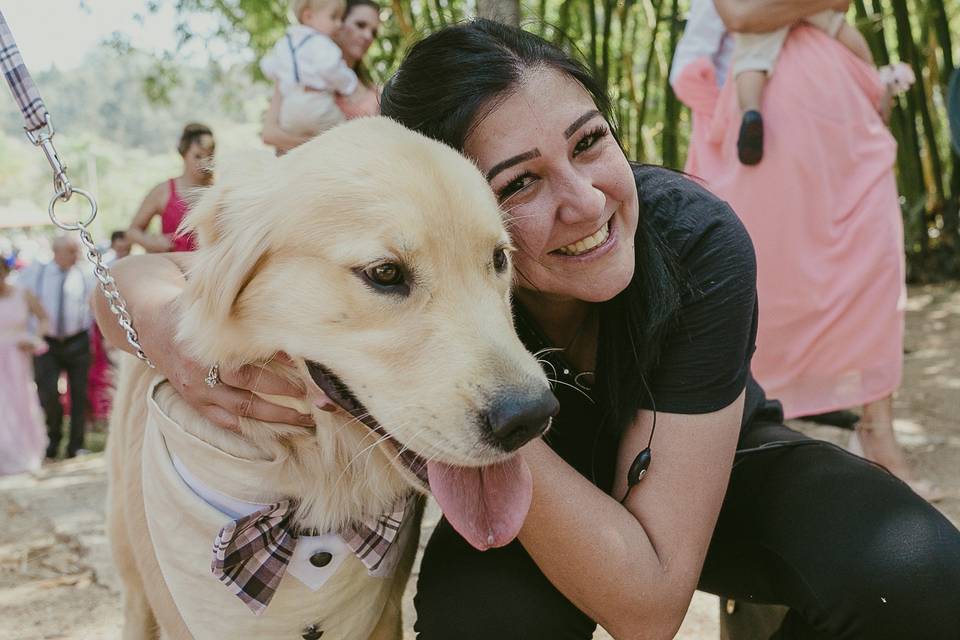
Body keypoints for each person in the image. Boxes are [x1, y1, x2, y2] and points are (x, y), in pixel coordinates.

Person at [96, 20, 960, 640]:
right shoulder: (423, 237)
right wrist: (157, 320)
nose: (584, 202)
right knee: (484, 625)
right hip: (507, 496)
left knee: (916, 573)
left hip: (709, 473)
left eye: (590, 141)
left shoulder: (694, 236)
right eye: (516, 184)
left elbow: (649, 608)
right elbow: (174, 274)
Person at [671, 0, 936, 498]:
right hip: (771, 135)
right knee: (775, 278)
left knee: (875, 261)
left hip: (850, 128)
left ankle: (879, 429)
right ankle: (761, 431)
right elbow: (741, 15)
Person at [732, 10, 874, 164]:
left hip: (763, 7)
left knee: (752, 59)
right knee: (837, 25)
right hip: (808, 5)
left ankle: (751, 110)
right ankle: (870, 72)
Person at [262, 0, 381, 154]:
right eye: (360, 25)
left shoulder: (374, 91)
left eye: (374, 32)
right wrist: (324, 149)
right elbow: (269, 134)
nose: (368, 36)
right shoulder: (297, 78)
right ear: (339, 23)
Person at [20, 236, 96, 459]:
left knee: (79, 395)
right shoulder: (36, 273)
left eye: (76, 251)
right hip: (48, 343)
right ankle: (52, 441)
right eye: (71, 251)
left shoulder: (85, 274)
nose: (76, 256)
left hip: (78, 341)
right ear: (57, 252)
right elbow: (23, 302)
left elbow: (94, 305)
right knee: (48, 392)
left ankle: (76, 445)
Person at [126, 124, 215, 253]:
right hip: (172, 268)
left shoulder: (218, 191)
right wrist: (153, 243)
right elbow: (133, 231)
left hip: (209, 269)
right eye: (198, 156)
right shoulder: (163, 191)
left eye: (209, 156)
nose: (204, 162)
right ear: (184, 154)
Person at [0, 255, 49, 475]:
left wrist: (33, 339)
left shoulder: (23, 293)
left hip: (18, 358)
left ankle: (26, 450)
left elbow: (44, 318)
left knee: (21, 401)